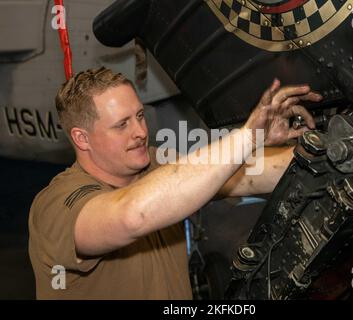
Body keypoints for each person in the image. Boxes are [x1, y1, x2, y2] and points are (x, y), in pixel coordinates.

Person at [28, 67, 322, 299]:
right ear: (81, 138)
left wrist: (329, 147)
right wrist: (246, 137)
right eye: (122, 124)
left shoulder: (155, 163)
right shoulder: (57, 203)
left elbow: (254, 175)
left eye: (140, 116)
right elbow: (131, 216)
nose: (140, 132)